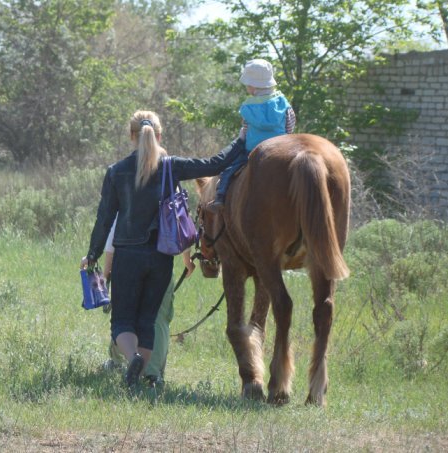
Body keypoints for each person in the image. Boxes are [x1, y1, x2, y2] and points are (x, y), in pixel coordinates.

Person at [80, 110, 245, 388]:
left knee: (122, 321)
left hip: (127, 257)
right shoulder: (172, 166)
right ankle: (142, 379)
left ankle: (131, 357)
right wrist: (241, 139)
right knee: (147, 320)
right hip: (160, 257)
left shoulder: (116, 172)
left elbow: (104, 219)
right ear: (159, 135)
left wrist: (93, 253)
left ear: (132, 136)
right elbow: (216, 163)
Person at [102, 216, 195, 386]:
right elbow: (183, 223)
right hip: (162, 265)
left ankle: (118, 362)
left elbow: (113, 237)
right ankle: (152, 375)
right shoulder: (169, 192)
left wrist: (106, 273)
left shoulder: (129, 192)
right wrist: (187, 260)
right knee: (158, 318)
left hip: (128, 262)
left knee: (124, 316)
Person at [208, 58, 296, 211]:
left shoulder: (249, 107)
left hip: (252, 151)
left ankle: (220, 197)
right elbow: (290, 126)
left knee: (229, 169)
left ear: (253, 87)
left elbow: (245, 130)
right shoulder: (284, 104)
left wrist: (241, 140)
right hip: (282, 148)